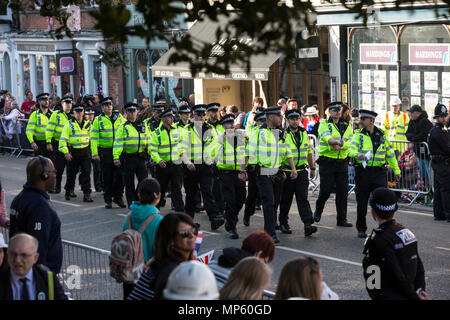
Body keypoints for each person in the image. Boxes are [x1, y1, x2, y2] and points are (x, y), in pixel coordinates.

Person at [243, 106, 298, 243]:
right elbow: (248, 153)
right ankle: (270, 233)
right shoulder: (258, 133)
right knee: (268, 202)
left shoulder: (281, 133)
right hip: (263, 172)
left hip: (278, 172)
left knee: (275, 203)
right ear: (271, 117)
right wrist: (242, 170)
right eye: (279, 116)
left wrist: (292, 169)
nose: (281, 118)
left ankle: (271, 228)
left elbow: (287, 152)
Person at [363, 187, 427, 300]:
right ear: (394, 210)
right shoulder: (407, 233)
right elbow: (419, 265)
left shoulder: (378, 239)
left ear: (373, 211)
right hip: (410, 292)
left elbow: (374, 278)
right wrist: (420, 289)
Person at [348, 109, 401, 238]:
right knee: (362, 202)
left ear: (371, 120)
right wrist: (357, 154)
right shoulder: (358, 135)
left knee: (382, 200)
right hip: (363, 172)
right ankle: (361, 228)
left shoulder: (382, 135)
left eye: (363, 119)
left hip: (378, 173)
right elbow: (350, 150)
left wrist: (397, 170)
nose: (360, 121)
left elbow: (390, 154)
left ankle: (384, 227)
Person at [9, 157, 62, 273]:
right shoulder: (39, 205)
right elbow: (39, 248)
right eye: (54, 172)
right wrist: (41, 280)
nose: (55, 176)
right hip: (40, 277)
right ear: (44, 176)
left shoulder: (20, 198)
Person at [127, 213, 198, 300]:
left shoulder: (162, 262)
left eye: (194, 230)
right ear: (171, 239)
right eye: (185, 233)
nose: (192, 236)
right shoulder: (172, 272)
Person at [179, 104, 225, 230]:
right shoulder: (186, 130)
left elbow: (217, 146)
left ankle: (214, 218)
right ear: (193, 115)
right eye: (198, 115)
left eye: (203, 115)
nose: (201, 117)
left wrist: (213, 159)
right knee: (191, 194)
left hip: (206, 165)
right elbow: (181, 150)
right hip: (191, 166)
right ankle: (187, 220)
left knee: (207, 192)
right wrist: (188, 162)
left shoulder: (211, 129)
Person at [121, 178, 163, 299]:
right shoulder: (159, 221)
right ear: (158, 196)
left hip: (129, 273)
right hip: (148, 275)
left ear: (138, 195)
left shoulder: (128, 216)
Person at [314, 102, 353, 228]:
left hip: (342, 162)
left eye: (338, 110)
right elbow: (327, 138)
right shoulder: (324, 124)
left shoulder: (346, 125)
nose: (336, 112)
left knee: (342, 192)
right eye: (334, 110)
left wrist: (340, 145)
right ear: (329, 112)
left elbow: (350, 142)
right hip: (327, 162)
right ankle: (318, 211)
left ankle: (342, 219)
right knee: (325, 190)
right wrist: (334, 143)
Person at [279, 109, 318, 236]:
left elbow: (308, 152)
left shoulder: (304, 133)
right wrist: (281, 170)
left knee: (303, 199)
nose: (295, 121)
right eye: (292, 119)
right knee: (286, 199)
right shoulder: (282, 134)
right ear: (288, 120)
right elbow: (279, 154)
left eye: (297, 118)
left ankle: (308, 224)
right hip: (287, 171)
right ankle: (283, 222)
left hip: (301, 171)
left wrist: (312, 168)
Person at [210, 114, 246, 239]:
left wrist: (245, 169)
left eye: (232, 123)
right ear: (223, 126)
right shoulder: (219, 139)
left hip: (239, 173)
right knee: (230, 201)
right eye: (227, 124)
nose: (230, 125)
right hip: (225, 174)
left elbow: (248, 152)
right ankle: (232, 227)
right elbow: (211, 155)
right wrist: (221, 142)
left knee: (241, 200)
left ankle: (231, 218)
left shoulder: (241, 137)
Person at [0, 233, 67, 300]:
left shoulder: (48, 279)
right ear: (8, 255)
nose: (17, 260)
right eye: (13, 254)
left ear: (35, 258)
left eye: (24, 255)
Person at [91, 97, 127, 208]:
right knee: (108, 176)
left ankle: (118, 197)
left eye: (110, 104)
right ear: (102, 108)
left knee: (120, 176)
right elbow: (94, 138)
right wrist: (94, 153)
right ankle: (108, 199)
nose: (109, 107)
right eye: (106, 105)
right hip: (105, 151)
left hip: (119, 150)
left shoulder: (119, 117)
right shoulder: (98, 120)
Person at [208, 230, 275, 288]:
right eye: (265, 262)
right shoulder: (247, 282)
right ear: (259, 255)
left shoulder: (211, 265)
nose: (264, 266)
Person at [113, 102, 150, 207]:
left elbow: (149, 140)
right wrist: (116, 157)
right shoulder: (123, 127)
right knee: (129, 182)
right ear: (126, 113)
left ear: (137, 112)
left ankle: (137, 198)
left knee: (144, 180)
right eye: (130, 111)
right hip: (128, 157)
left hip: (141, 156)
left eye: (134, 111)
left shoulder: (143, 125)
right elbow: (118, 143)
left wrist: (151, 153)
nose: (132, 113)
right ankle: (131, 202)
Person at [149, 108, 184, 212]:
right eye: (169, 117)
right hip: (163, 166)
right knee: (161, 190)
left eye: (172, 117)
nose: (172, 119)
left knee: (177, 189)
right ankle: (155, 210)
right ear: (163, 119)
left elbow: (181, 146)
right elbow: (153, 150)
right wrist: (159, 160)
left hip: (176, 165)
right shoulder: (157, 133)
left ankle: (180, 211)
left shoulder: (176, 131)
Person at [59, 103, 93, 202]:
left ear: (83, 113)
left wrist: (93, 151)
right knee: (71, 173)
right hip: (73, 151)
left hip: (85, 151)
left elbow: (92, 138)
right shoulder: (69, 124)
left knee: (86, 172)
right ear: (73, 113)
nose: (79, 114)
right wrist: (66, 152)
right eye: (77, 112)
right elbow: (62, 140)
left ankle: (87, 194)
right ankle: (68, 190)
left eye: (81, 112)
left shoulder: (88, 124)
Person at [45, 94, 73, 194]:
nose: (68, 105)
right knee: (58, 168)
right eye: (66, 103)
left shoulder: (74, 115)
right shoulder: (56, 114)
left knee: (71, 170)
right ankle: (57, 187)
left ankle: (69, 189)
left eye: (70, 103)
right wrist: (48, 142)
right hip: (58, 144)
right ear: (62, 103)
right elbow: (50, 129)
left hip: (70, 145)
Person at [427, 103, 450, 222]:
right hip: (441, 163)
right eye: (443, 116)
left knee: (440, 188)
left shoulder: (439, 130)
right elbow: (447, 148)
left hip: (438, 163)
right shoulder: (438, 131)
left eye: (446, 116)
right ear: (438, 117)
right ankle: (448, 214)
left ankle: (439, 213)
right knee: (446, 188)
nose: (445, 118)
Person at [243, 108, 265, 226]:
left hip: (267, 167)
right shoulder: (251, 130)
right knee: (252, 194)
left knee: (268, 195)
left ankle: (272, 220)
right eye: (260, 121)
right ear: (256, 121)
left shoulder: (271, 130)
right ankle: (247, 214)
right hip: (254, 168)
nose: (262, 123)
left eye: (264, 120)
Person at [405, 105, 433, 189]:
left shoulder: (425, 121)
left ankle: (432, 191)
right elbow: (407, 134)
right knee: (424, 173)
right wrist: (414, 138)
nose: (410, 115)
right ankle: (427, 191)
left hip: (426, 153)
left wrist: (413, 138)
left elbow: (423, 135)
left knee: (429, 173)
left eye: (412, 113)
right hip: (418, 152)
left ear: (417, 113)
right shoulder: (412, 121)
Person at [26, 93, 53, 158]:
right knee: (40, 166)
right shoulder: (35, 115)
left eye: (47, 99)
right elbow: (29, 130)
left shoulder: (53, 114)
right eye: (44, 100)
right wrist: (32, 142)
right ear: (39, 101)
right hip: (39, 145)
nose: (46, 101)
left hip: (51, 143)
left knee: (51, 166)